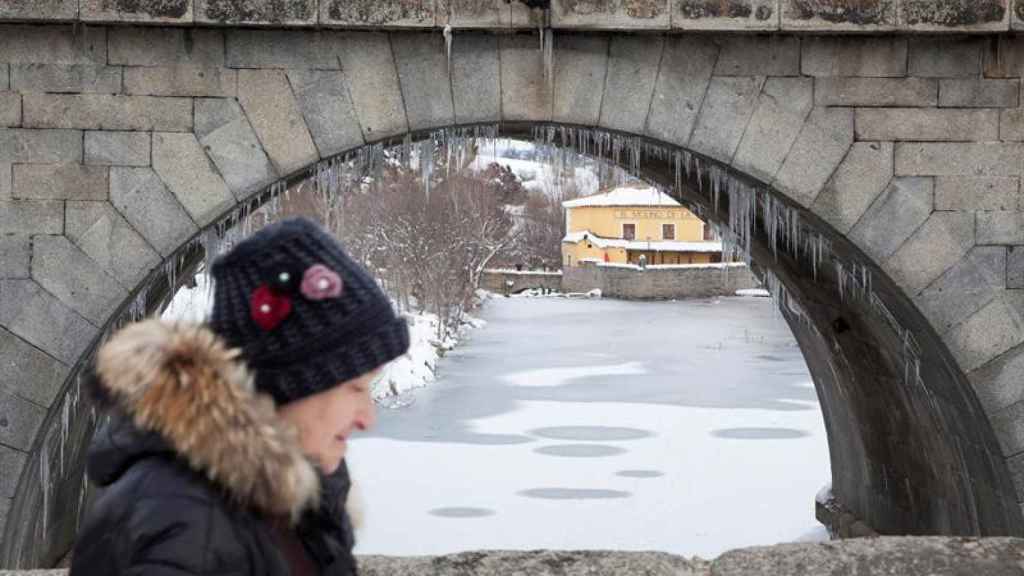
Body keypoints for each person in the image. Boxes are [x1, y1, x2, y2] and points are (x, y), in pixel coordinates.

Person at [70, 217, 410, 575]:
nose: (367, 417)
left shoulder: (297, 498)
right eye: (355, 387)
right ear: (291, 384)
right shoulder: (180, 520)